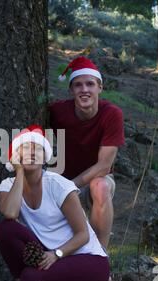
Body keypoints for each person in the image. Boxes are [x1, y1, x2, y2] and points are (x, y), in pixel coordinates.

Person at [0, 125, 109, 281]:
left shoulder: (59, 185)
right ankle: (23, 279)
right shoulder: (7, 185)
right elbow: (10, 213)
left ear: (45, 157)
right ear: (14, 156)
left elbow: (83, 235)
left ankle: (31, 280)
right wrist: (19, 171)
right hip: (48, 256)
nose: (32, 153)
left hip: (87, 259)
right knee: (6, 229)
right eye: (25, 148)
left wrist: (57, 254)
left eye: (38, 149)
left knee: (31, 278)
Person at [49, 56, 125, 249]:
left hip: (92, 180)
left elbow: (104, 166)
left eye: (90, 84)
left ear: (100, 87)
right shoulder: (57, 112)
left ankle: (100, 254)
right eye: (78, 85)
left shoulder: (111, 114)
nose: (84, 90)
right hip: (62, 180)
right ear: (71, 90)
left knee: (100, 186)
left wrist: (70, 186)